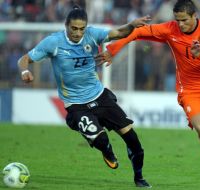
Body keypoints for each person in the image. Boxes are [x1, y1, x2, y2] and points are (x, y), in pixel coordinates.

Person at [95, 0, 200, 189]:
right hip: (190, 90)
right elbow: (138, 32)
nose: (180, 24)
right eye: (177, 20)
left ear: (194, 17)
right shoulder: (170, 29)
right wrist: (113, 49)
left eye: (184, 20)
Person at [17, 5, 152, 188]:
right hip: (76, 104)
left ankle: (139, 178)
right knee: (102, 140)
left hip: (100, 96)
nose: (78, 33)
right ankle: (107, 151)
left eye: (81, 29)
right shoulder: (53, 42)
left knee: (134, 142)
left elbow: (119, 33)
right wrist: (25, 70)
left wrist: (131, 24)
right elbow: (23, 59)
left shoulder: (92, 34)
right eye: (74, 28)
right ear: (66, 25)